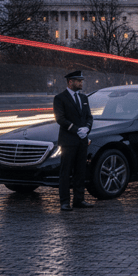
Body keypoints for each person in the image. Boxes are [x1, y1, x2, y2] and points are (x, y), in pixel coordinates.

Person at [53, 70, 94, 211]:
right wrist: (76, 129)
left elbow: (89, 116)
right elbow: (60, 119)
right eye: (79, 80)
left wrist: (87, 128)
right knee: (65, 172)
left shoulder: (84, 98)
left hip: (82, 140)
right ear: (70, 82)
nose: (81, 83)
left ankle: (79, 199)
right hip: (68, 141)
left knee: (80, 171)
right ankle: (64, 202)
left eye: (81, 80)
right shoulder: (60, 98)